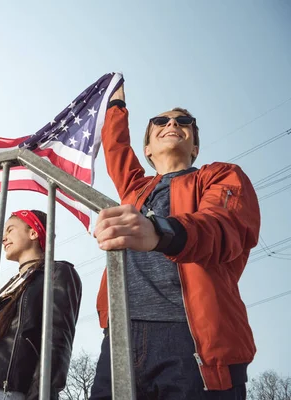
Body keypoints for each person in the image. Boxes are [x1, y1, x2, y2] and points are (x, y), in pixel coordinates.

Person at [90, 84, 260, 399]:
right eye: (161, 121)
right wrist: (115, 102)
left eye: (184, 123)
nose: (172, 125)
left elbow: (224, 225)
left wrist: (160, 232)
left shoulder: (220, 176)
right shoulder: (135, 188)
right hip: (121, 334)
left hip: (189, 336)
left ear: (194, 146)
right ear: (147, 149)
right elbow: (115, 147)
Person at [0, 209, 82, 400]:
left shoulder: (57, 272)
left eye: (10, 230)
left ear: (33, 232)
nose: (4, 238)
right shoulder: (9, 286)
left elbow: (58, 340)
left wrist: (40, 395)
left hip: (11, 390)